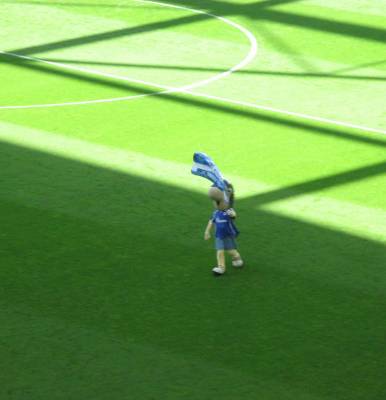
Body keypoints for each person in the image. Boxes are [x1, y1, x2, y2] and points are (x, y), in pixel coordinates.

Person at [204, 198, 244, 276]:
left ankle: (237, 258)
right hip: (219, 236)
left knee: (231, 251)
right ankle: (221, 268)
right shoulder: (215, 213)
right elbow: (211, 222)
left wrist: (232, 214)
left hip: (228, 235)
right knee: (220, 251)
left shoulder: (228, 211)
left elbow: (233, 216)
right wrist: (207, 231)